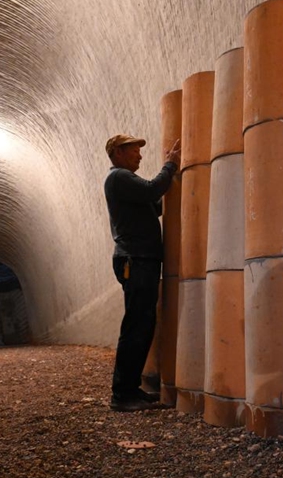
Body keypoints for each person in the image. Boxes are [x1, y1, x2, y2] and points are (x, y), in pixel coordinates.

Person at [103, 133, 181, 412]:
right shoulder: (119, 178)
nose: (139, 154)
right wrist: (170, 166)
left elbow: (156, 204)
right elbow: (151, 190)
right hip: (135, 259)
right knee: (136, 325)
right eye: (134, 150)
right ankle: (122, 395)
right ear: (118, 153)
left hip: (142, 259)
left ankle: (130, 388)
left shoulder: (126, 182)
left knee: (143, 324)